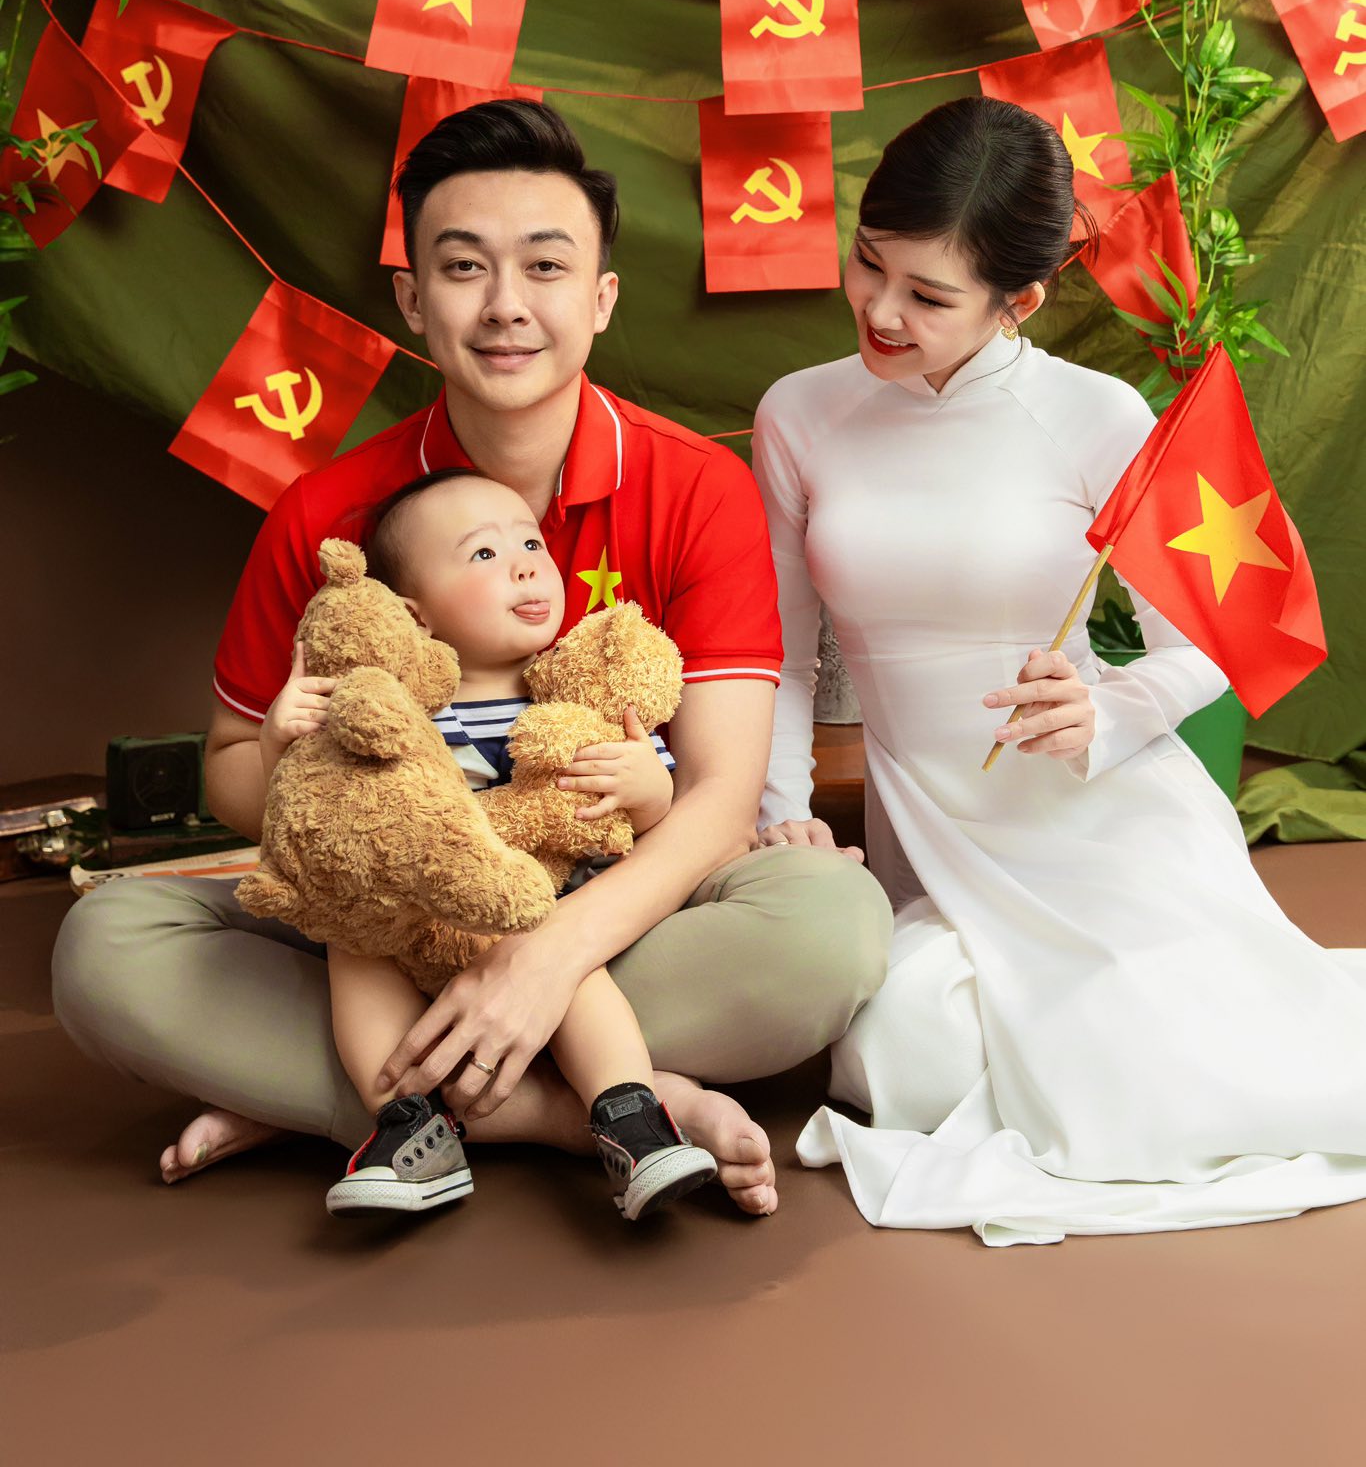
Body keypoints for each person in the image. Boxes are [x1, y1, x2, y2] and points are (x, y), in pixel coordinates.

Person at [53, 100, 891, 1218]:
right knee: (105, 947)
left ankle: (362, 1104)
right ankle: (596, 1111)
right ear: (412, 299)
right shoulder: (326, 515)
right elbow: (233, 771)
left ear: (600, 297)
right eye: (463, 267)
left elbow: (718, 798)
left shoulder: (698, 488)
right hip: (385, 927)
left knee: (833, 928)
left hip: (603, 905)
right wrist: (314, 761)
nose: (505, 305)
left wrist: (541, 961)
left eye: (544, 266)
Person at [751, 93, 1366, 1246]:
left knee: (1163, 1080)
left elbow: (1203, 642)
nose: (880, 309)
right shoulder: (799, 413)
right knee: (905, 1054)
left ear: (1018, 300)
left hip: (1101, 826)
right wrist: (780, 812)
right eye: (869, 261)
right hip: (932, 837)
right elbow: (779, 656)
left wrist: (1107, 708)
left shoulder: (1094, 415)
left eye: (928, 295)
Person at [271, 465, 718, 1221]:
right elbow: (310, 810)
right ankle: (408, 1124)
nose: (525, 565)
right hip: (416, 915)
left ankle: (631, 1116)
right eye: (484, 553)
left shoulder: (572, 698)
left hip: (533, 911)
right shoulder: (388, 710)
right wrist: (278, 733)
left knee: (567, 963)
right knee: (355, 949)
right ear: (413, 615)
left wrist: (646, 786)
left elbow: (647, 819)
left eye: (531, 544)